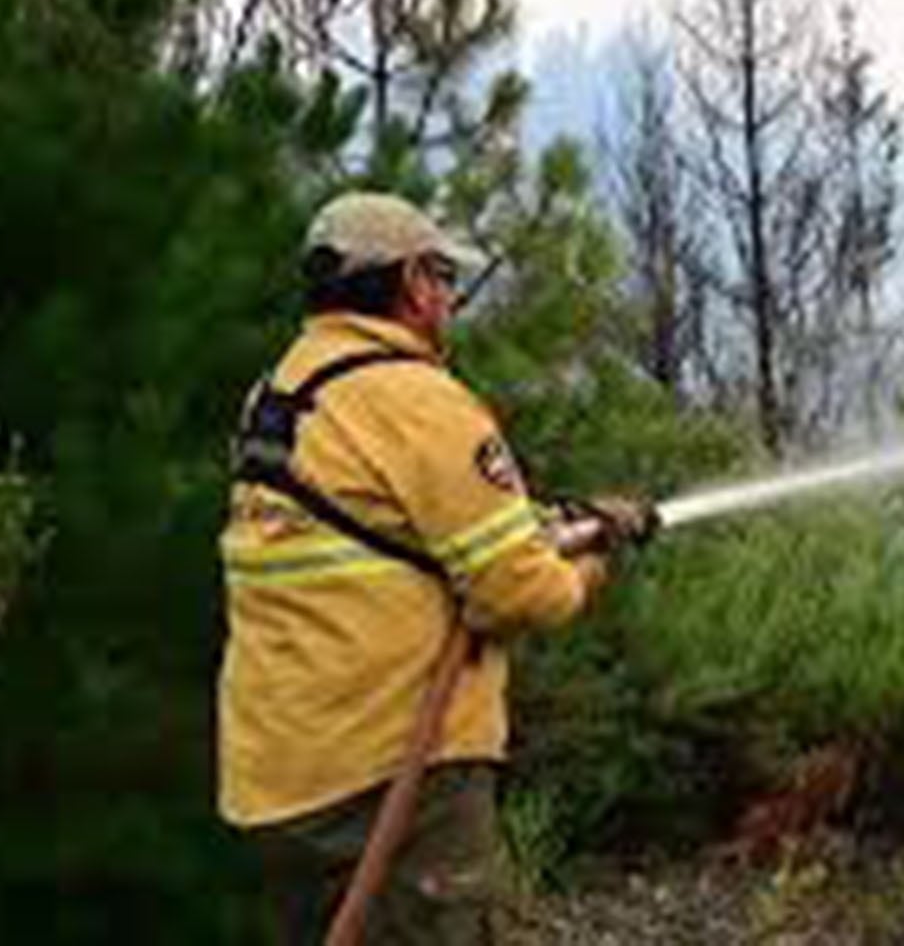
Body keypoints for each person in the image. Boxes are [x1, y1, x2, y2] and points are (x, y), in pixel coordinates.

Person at [215, 192, 652, 944]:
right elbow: (520, 592)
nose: (450, 299)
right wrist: (587, 566)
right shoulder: (419, 401)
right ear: (414, 282)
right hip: (392, 777)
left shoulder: (283, 394)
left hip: (276, 777)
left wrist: (541, 523)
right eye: (444, 279)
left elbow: (384, 532)